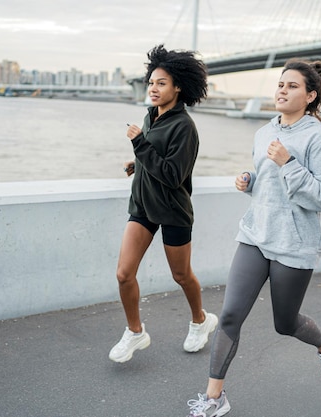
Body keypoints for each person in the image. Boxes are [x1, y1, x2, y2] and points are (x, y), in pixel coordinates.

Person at [186, 59, 321, 417]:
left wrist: (289, 163)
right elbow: (268, 187)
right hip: (256, 236)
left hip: (294, 244)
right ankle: (214, 399)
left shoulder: (319, 140)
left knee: (285, 323)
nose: (282, 90)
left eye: (292, 86)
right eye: (280, 84)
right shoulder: (263, 133)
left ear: (310, 95)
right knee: (229, 316)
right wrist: (249, 182)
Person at [108, 44, 218, 363]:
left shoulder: (185, 127)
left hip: (172, 211)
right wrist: (137, 165)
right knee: (124, 274)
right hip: (142, 206)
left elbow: (172, 174)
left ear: (178, 87)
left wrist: (139, 144)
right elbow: (155, 158)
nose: (154, 89)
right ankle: (135, 332)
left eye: (162, 83)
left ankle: (200, 320)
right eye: (152, 82)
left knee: (181, 276)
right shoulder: (151, 115)